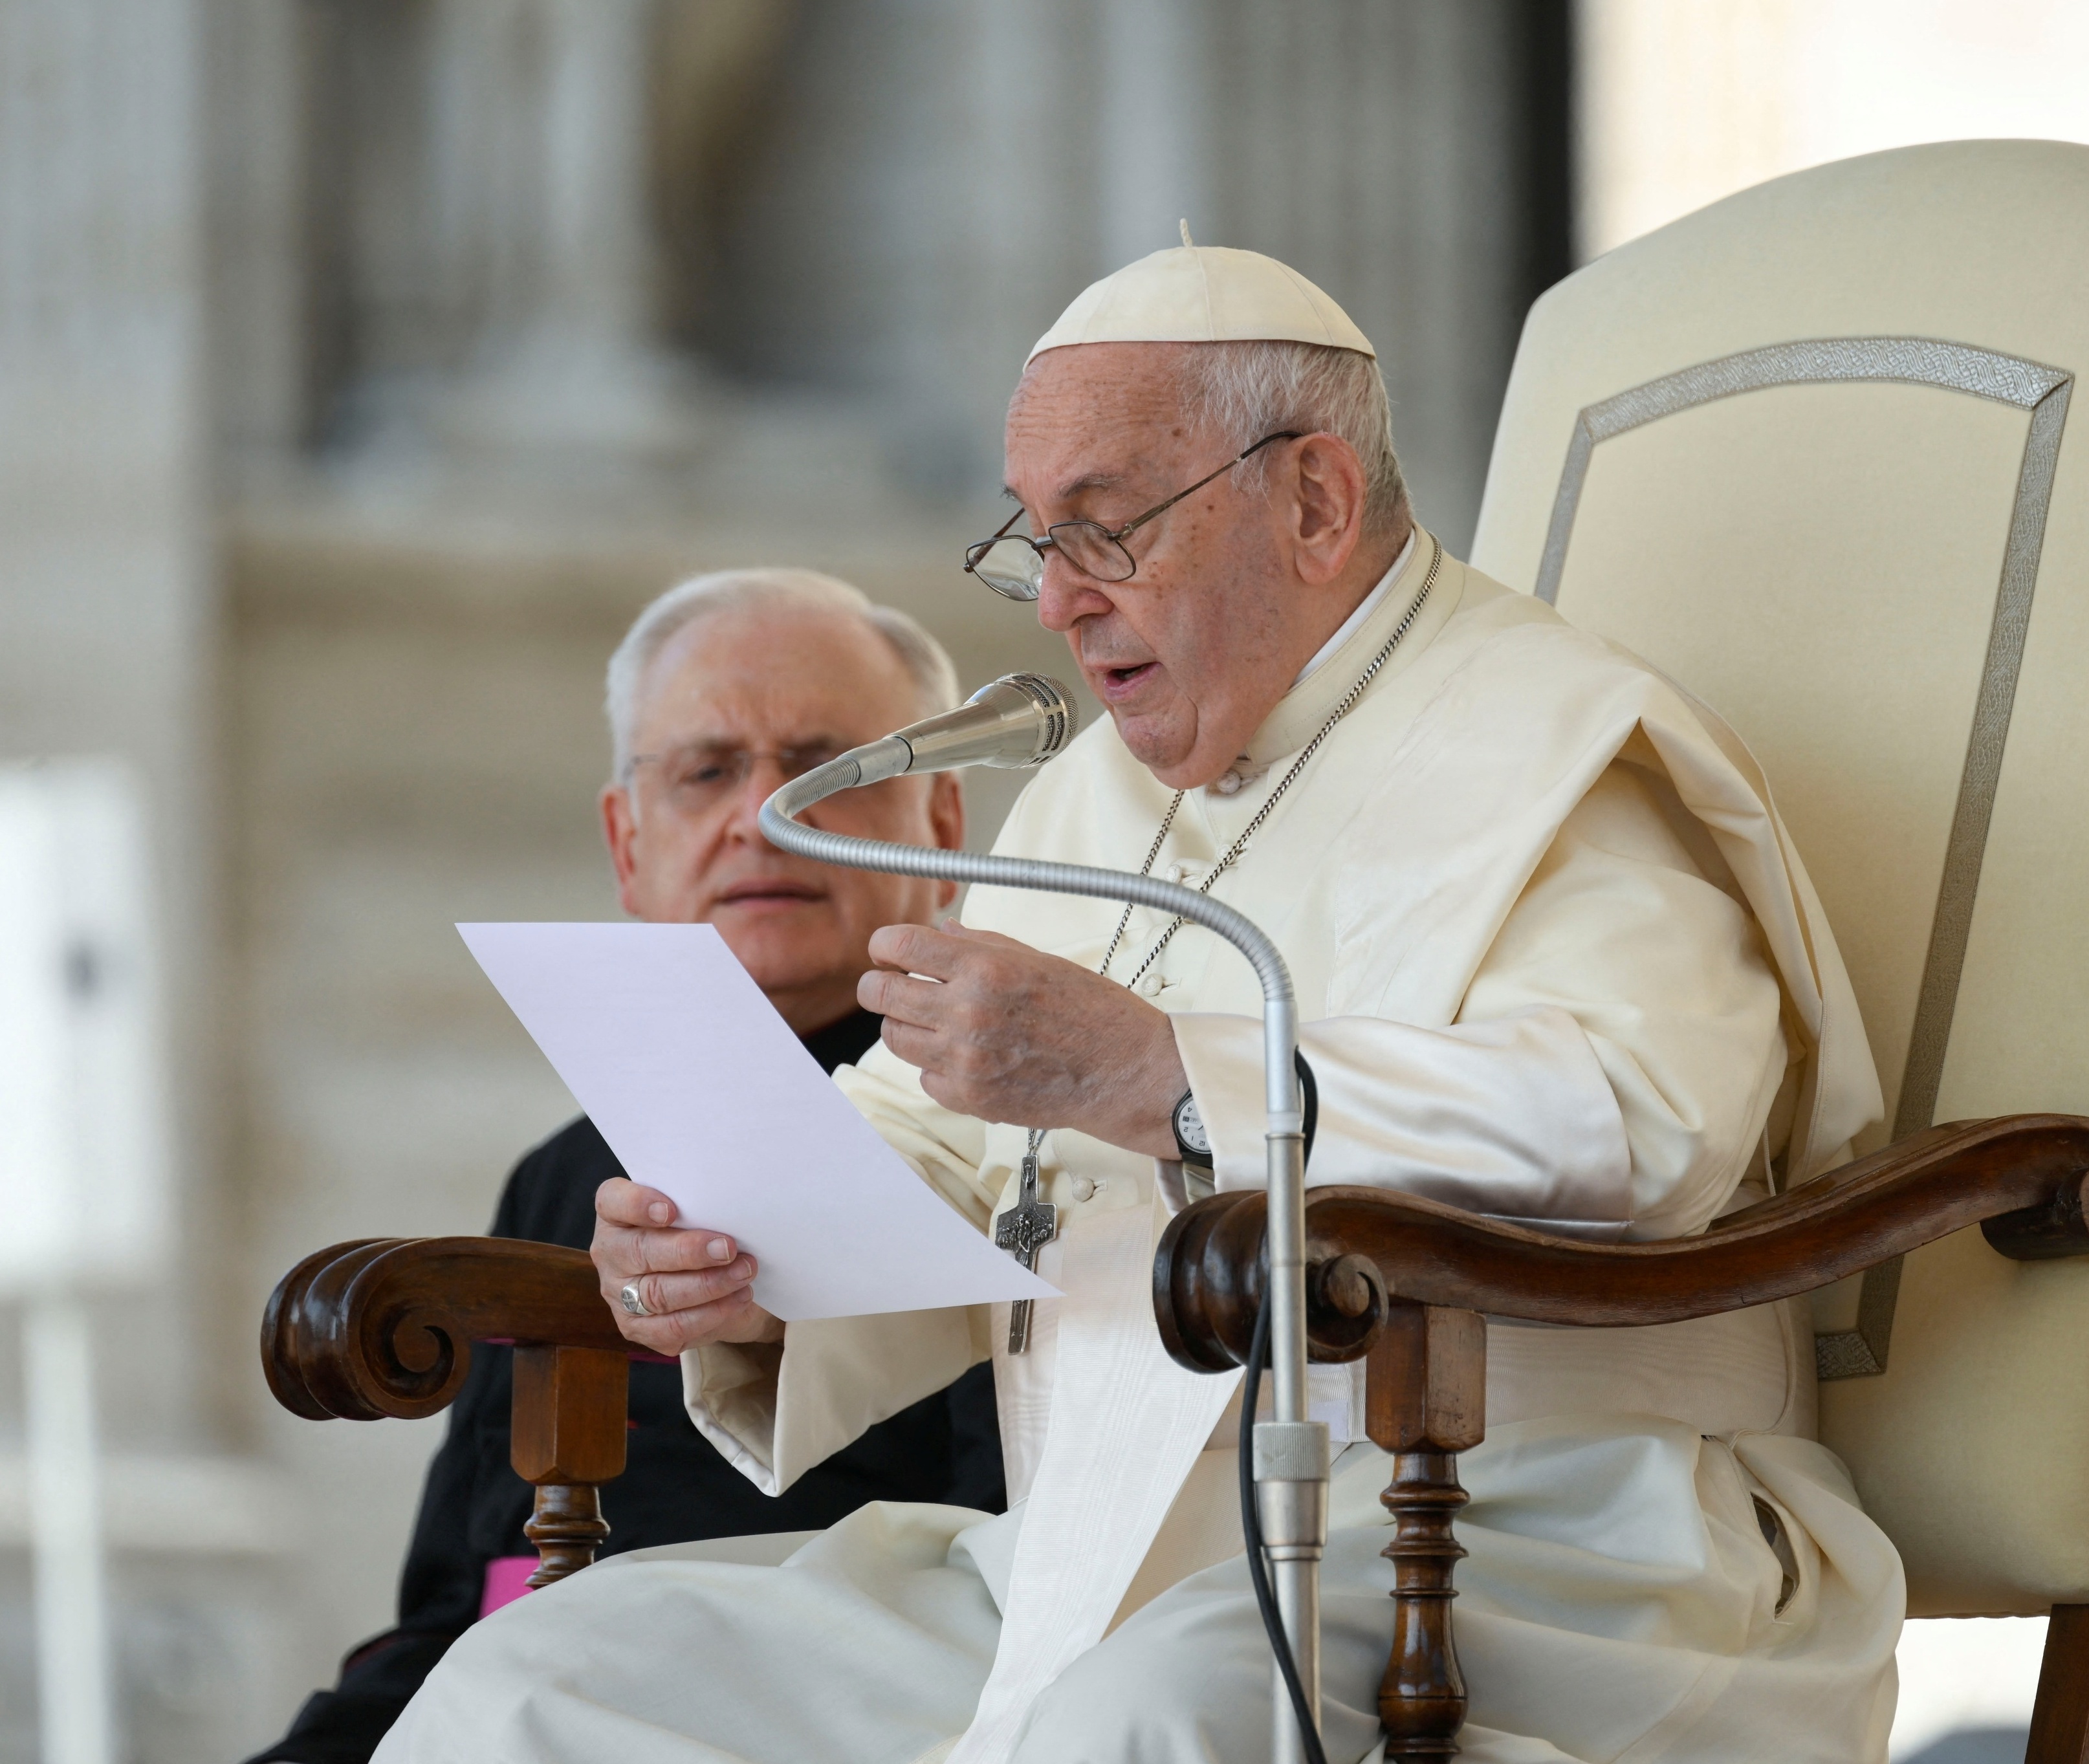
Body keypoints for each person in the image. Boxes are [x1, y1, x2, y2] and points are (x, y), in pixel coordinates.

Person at [378, 245, 1903, 1764]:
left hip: (1520, 1532)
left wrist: (1169, 1075)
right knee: (540, 1681)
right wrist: (735, 1251)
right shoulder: (1089, 800)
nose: (1053, 604)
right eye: (1034, 542)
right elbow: (931, 1134)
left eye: (1103, 532)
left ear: (1313, 501)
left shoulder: (1563, 745)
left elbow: (1647, 1121)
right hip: (1090, 1545)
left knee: (1138, 1721)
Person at [248, 569, 1000, 1764]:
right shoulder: (562, 1173)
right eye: (706, 772)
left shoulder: (1011, 1120)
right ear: (626, 841)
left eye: (826, 771)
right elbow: (453, 1602)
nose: (761, 815)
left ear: (945, 827)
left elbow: (1001, 1569)